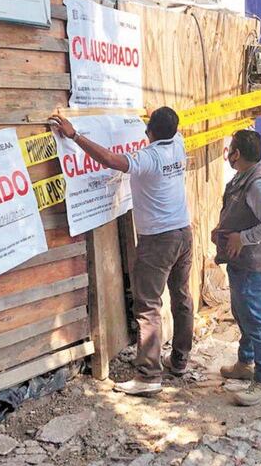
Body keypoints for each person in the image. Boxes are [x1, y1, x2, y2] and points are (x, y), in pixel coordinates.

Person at [49, 108, 193, 397]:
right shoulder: (178, 143)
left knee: (148, 306)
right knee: (181, 296)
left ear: (149, 131)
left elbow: (111, 160)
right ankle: (179, 361)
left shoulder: (148, 158)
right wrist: (157, 120)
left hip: (158, 240)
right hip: (183, 233)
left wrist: (75, 135)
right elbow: (167, 127)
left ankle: (149, 375)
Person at [212, 129, 261, 406]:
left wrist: (242, 238)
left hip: (254, 265)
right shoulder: (245, 177)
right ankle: (245, 363)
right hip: (242, 263)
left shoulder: (258, 183)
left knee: (256, 320)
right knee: (243, 315)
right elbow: (238, 210)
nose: (227, 153)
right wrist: (222, 229)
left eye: (230, 148)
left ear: (237, 153)